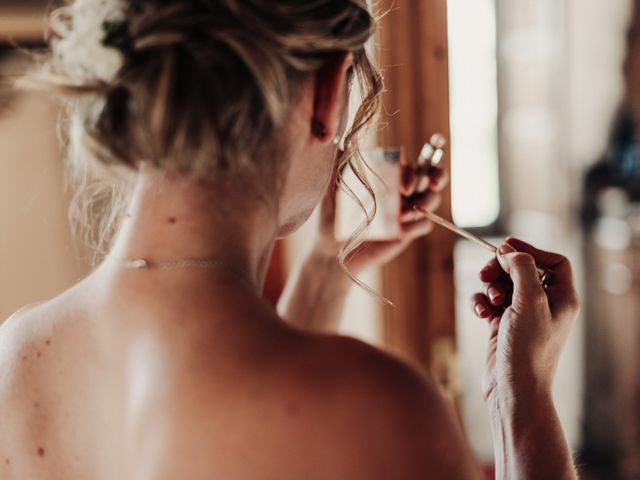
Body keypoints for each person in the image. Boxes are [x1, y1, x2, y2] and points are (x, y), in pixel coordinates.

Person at [0, 1, 579, 478]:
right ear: (327, 91)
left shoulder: (17, 359)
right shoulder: (377, 411)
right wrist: (521, 396)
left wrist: (329, 263)